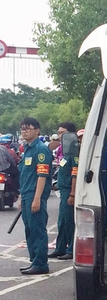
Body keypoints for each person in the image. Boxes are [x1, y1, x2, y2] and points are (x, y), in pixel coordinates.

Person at [17, 117, 54, 275]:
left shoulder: (40, 149)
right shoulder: (27, 149)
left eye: (28, 128)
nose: (24, 131)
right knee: (30, 230)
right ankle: (34, 261)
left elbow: (42, 175)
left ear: (37, 130)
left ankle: (40, 263)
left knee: (38, 229)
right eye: (23, 129)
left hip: (34, 194)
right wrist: (21, 197)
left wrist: (37, 198)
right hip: (26, 194)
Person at [47, 122, 78, 261]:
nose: (59, 136)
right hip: (62, 189)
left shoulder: (73, 151)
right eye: (58, 133)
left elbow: (75, 174)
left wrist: (72, 193)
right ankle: (60, 248)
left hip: (68, 191)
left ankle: (71, 249)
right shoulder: (64, 150)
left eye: (62, 133)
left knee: (69, 221)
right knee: (62, 222)